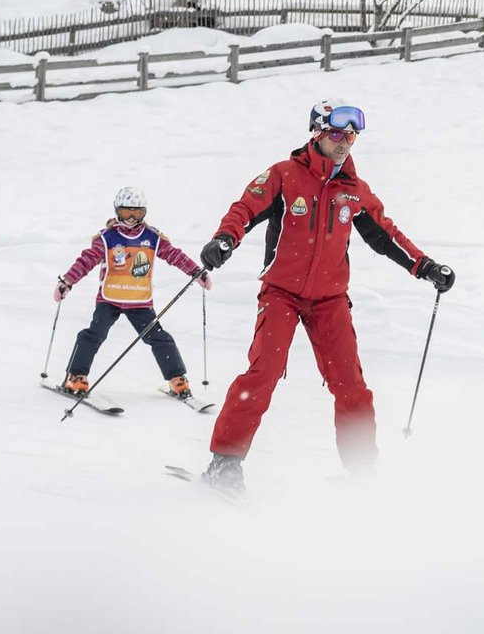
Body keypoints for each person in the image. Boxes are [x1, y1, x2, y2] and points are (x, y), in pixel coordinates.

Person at [194, 99, 455, 494]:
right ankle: (224, 464)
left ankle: (362, 473)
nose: (345, 141)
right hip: (281, 293)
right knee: (263, 374)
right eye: (337, 133)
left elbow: (387, 236)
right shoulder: (284, 175)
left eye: (351, 135)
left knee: (351, 384)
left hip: (330, 300)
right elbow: (244, 208)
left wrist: (426, 266)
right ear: (317, 133)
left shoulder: (354, 191)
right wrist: (224, 240)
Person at [54, 186, 210, 403]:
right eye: (127, 212)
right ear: (117, 210)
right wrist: (68, 281)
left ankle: (177, 379)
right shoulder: (106, 237)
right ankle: (76, 377)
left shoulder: (152, 237)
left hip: (139, 301)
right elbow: (86, 260)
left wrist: (195, 271)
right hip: (109, 299)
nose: (131, 218)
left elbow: (174, 255)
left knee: (159, 338)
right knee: (93, 335)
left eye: (137, 213)